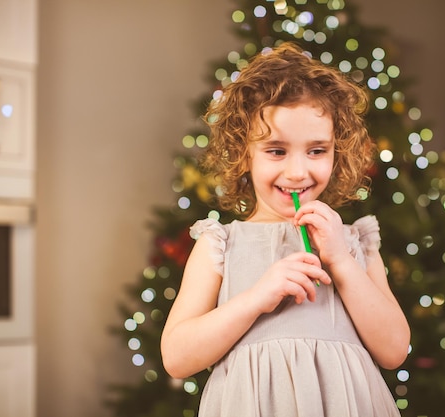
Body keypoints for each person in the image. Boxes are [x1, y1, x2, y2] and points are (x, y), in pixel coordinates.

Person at [161, 42, 410, 417]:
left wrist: (340, 261)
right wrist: (256, 298)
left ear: (336, 152)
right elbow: (177, 358)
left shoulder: (355, 243)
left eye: (317, 150)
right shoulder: (221, 245)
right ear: (244, 153)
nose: (297, 172)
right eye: (276, 151)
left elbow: (394, 350)